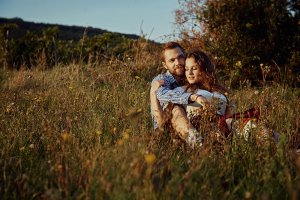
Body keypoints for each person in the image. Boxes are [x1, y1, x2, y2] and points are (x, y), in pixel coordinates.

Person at [151, 49, 231, 143]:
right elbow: (162, 94)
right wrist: (195, 97)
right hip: (192, 129)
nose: (189, 73)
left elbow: (229, 116)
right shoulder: (183, 89)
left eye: (194, 68)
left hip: (216, 130)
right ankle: (197, 143)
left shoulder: (219, 91)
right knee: (175, 107)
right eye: (187, 69)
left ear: (204, 69)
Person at [150, 42, 208, 148]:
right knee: (175, 107)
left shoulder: (190, 76)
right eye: (172, 60)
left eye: (180, 57)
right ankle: (198, 145)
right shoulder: (161, 80)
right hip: (166, 128)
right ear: (164, 65)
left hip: (193, 120)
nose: (177, 62)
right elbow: (163, 95)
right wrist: (192, 97)